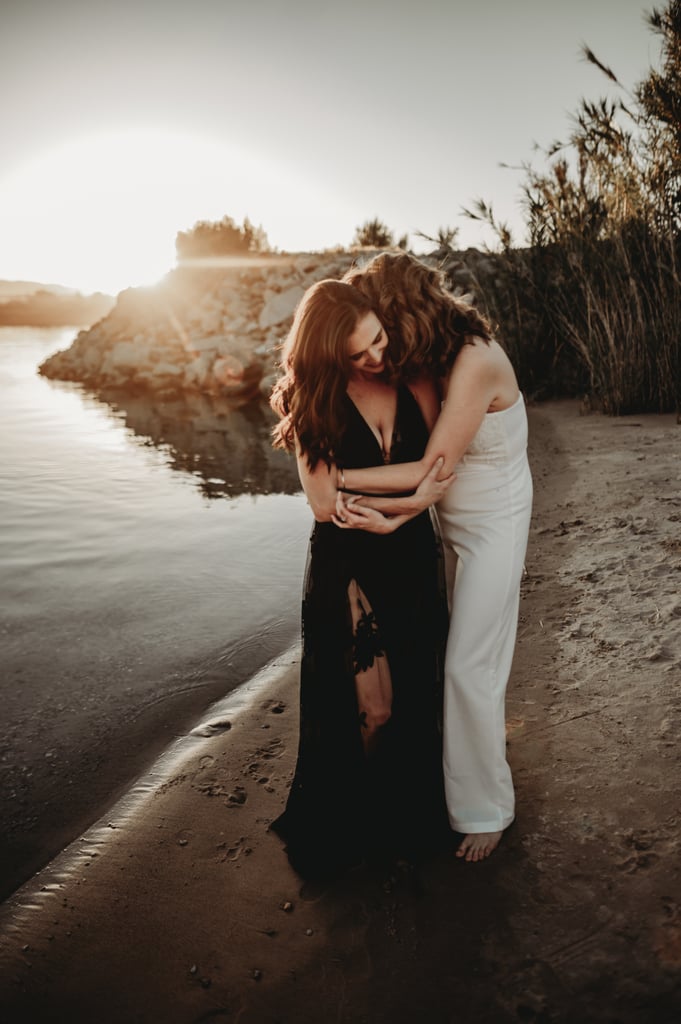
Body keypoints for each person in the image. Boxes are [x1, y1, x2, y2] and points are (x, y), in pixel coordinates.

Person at [334, 252, 533, 863]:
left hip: (496, 524)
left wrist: (337, 481)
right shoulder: (426, 363)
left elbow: (429, 467)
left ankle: (488, 810)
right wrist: (396, 512)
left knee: (468, 665)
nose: (381, 348)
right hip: (451, 522)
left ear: (407, 313)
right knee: (464, 656)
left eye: (384, 328)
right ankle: (470, 764)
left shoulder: (476, 361)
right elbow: (433, 483)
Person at [269, 278, 452, 879]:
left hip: (409, 556)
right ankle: (363, 828)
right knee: (375, 710)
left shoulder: (413, 375)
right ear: (329, 357)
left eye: (377, 339)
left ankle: (405, 820)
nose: (376, 356)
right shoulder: (313, 398)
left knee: (419, 694)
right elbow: (323, 504)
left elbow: (435, 467)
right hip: (348, 565)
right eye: (359, 353)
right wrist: (407, 489)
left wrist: (382, 487)